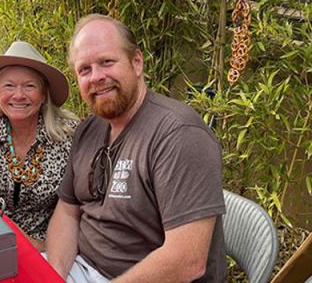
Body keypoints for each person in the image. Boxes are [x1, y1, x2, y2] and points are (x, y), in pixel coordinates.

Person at [46, 14, 226, 282]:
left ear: (137, 62)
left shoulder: (178, 134)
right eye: (85, 69)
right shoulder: (89, 129)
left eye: (107, 62)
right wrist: (54, 275)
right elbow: (68, 212)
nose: (96, 77)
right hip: (83, 268)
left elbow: (187, 260)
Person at [0, 41, 78, 252]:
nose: (18, 95)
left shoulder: (67, 134)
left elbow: (77, 203)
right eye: (9, 85)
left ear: (44, 95)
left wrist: (45, 246)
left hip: (50, 245)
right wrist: (15, 238)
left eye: (29, 86)